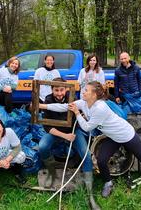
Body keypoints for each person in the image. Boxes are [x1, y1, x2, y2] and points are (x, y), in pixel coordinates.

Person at [40, 81, 141, 207]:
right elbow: (65, 106)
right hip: (112, 136)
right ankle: (108, 182)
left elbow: (86, 127)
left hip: (126, 135)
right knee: (101, 160)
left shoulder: (100, 108)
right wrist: (43, 106)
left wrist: (77, 114)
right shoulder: (84, 102)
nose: (83, 91)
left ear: (94, 94)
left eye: (86, 90)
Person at [39, 77, 99, 210]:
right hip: (56, 132)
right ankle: (52, 172)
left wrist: (82, 115)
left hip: (73, 131)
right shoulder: (48, 100)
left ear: (66, 89)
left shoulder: (73, 97)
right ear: (52, 89)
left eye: (61, 90)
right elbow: (47, 127)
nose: (59, 93)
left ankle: (90, 193)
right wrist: (64, 136)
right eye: (56, 90)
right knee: (42, 147)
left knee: (86, 155)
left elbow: (84, 111)